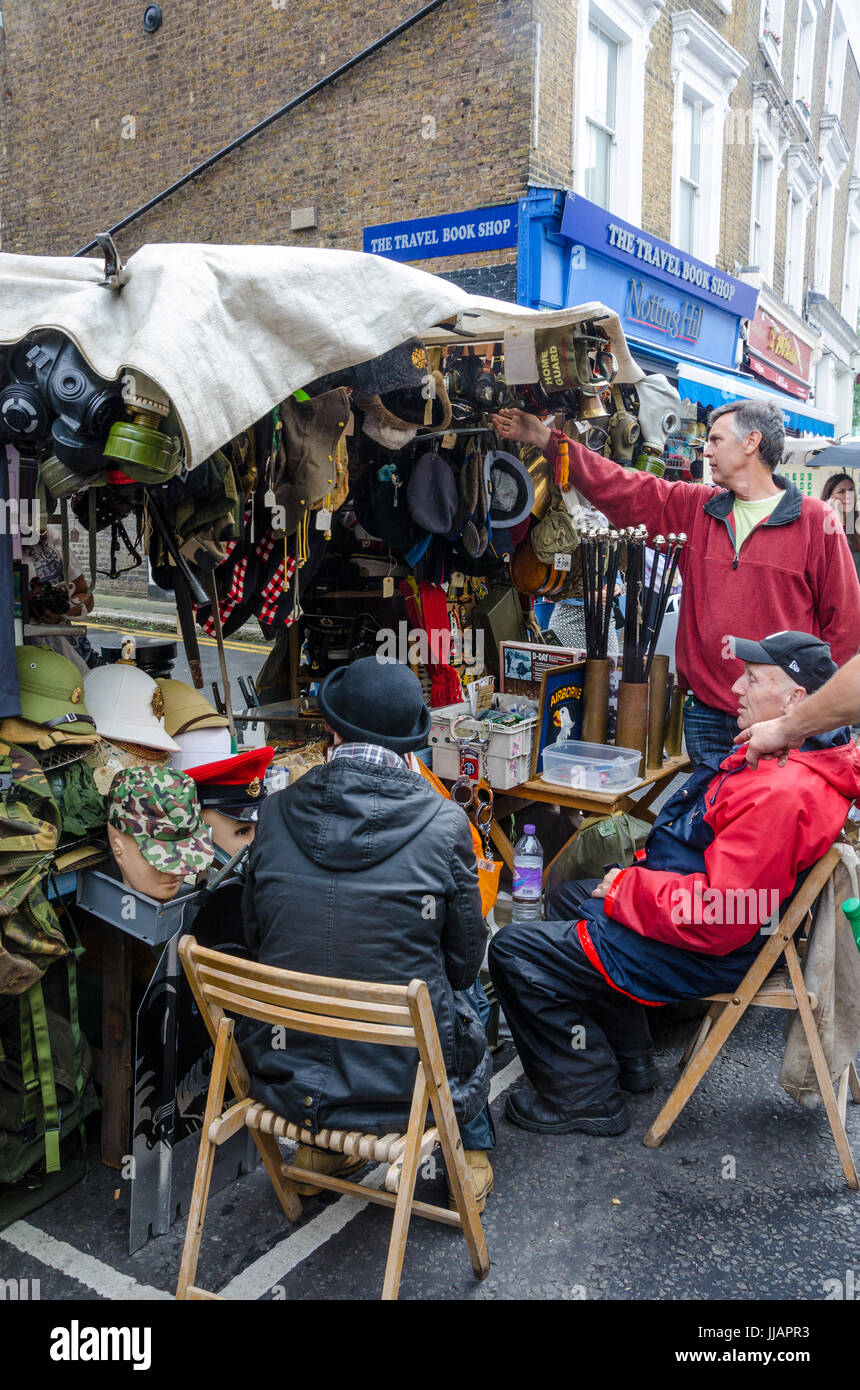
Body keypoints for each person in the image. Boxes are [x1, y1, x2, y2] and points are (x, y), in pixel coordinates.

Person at [488, 631, 860, 1136]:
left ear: (796, 700)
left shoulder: (784, 789)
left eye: (752, 680)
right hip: (716, 922)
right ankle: (632, 1056)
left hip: (711, 951)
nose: (735, 689)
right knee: (568, 894)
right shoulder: (792, 758)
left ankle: (584, 1096)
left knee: (513, 949)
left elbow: (720, 917)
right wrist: (631, 882)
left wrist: (627, 890)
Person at [240, 657, 495, 1208]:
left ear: (331, 729)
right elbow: (463, 963)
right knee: (471, 989)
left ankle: (321, 1150)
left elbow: (257, 940)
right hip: (402, 1087)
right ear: (412, 745)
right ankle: (466, 1153)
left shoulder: (275, 811)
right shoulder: (446, 822)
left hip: (285, 1072)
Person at [491, 400, 860, 767]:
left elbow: (845, 630)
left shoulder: (815, 521)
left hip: (783, 725)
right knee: (708, 821)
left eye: (716, 440)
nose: (706, 450)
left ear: (751, 442)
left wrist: (813, 719)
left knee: (770, 822)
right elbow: (623, 488)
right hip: (709, 717)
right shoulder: (696, 507)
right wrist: (545, 439)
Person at [737, 649, 860, 768]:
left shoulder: (785, 780)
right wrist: (784, 729)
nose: (735, 688)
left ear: (793, 697)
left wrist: (783, 729)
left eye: (753, 679)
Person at [821, 472, 860, 581]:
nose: (848, 496)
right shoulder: (820, 524)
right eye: (841, 491)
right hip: (833, 589)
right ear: (829, 497)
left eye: (851, 490)